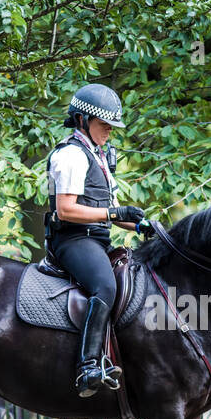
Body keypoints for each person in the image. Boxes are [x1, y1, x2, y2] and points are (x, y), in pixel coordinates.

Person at [45, 83, 153, 397]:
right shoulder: (71, 155)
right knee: (105, 286)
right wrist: (113, 212)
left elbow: (111, 212)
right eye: (103, 124)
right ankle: (88, 365)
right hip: (72, 240)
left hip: (97, 240)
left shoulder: (99, 156)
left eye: (111, 126)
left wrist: (138, 224)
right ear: (82, 120)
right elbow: (66, 210)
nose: (108, 131)